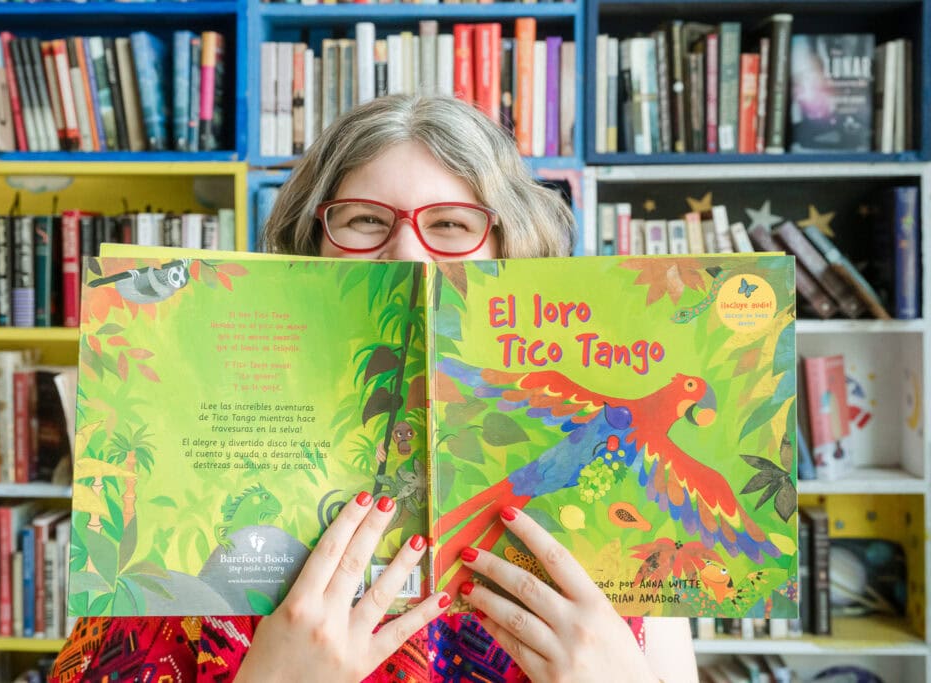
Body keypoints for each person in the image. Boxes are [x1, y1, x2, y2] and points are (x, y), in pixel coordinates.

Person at [50, 95, 699, 683]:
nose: (408, 255)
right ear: (312, 248)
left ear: (508, 248)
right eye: (364, 220)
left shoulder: (622, 506)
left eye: (449, 224)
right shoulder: (177, 488)